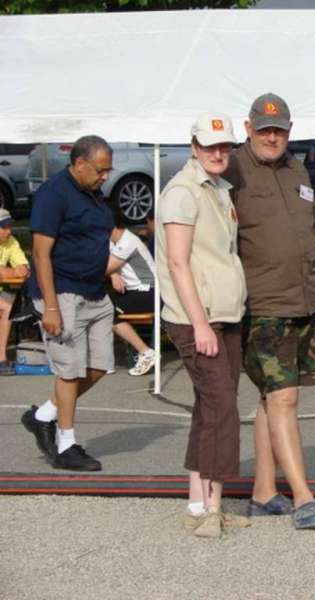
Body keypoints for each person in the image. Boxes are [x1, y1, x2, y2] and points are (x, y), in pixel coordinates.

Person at [224, 93, 315, 530]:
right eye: (263, 129)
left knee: (272, 398)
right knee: (285, 397)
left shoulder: (297, 169)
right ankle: (302, 498)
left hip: (305, 298)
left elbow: (310, 225)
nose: (271, 136)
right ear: (247, 128)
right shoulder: (230, 169)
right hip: (263, 305)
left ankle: (264, 492)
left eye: (279, 129)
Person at [156, 113, 250, 538]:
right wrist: (200, 325)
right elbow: (177, 263)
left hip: (225, 314)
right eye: (210, 145)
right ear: (193, 145)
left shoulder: (218, 189)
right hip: (199, 318)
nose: (218, 152)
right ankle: (212, 505)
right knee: (221, 408)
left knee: (210, 407)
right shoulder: (182, 193)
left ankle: (198, 502)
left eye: (225, 146)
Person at [20, 136, 115, 471]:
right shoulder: (53, 194)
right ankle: (66, 445)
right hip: (62, 291)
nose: (105, 175)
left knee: (100, 365)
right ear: (79, 164)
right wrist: (50, 306)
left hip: (94, 291)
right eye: (101, 170)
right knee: (69, 371)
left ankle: (43, 414)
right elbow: (41, 253)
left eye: (108, 169)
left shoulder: (93, 191)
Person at [107, 205, 156, 376]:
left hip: (148, 292)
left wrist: (110, 271)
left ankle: (146, 352)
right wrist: (113, 274)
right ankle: (104, 359)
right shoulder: (113, 242)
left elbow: (101, 268)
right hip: (134, 291)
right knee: (97, 305)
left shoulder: (127, 241)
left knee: (105, 311)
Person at [0, 208, 29, 375]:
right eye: (4, 227)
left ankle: (1, 357)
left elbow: (24, 270)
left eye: (9, 226)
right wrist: (10, 272)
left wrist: (6, 272)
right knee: (5, 306)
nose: (8, 231)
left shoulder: (11, 241)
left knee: (8, 304)